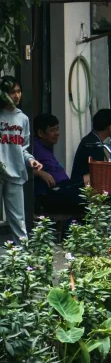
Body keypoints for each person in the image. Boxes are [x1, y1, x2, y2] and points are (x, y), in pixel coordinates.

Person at [0, 76, 42, 240]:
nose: (17, 96)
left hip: (16, 173)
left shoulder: (23, 119)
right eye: (12, 92)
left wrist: (30, 160)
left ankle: (24, 262)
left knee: (19, 221)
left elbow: (23, 148)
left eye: (19, 91)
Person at [30, 114, 82, 215]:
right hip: (51, 193)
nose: (57, 133)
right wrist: (40, 173)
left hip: (64, 187)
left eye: (57, 129)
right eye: (52, 130)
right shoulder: (34, 148)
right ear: (40, 133)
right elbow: (24, 168)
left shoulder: (46, 147)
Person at [71, 109, 111, 189]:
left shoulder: (91, 139)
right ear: (110, 127)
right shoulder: (94, 145)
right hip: (81, 190)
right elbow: (97, 175)